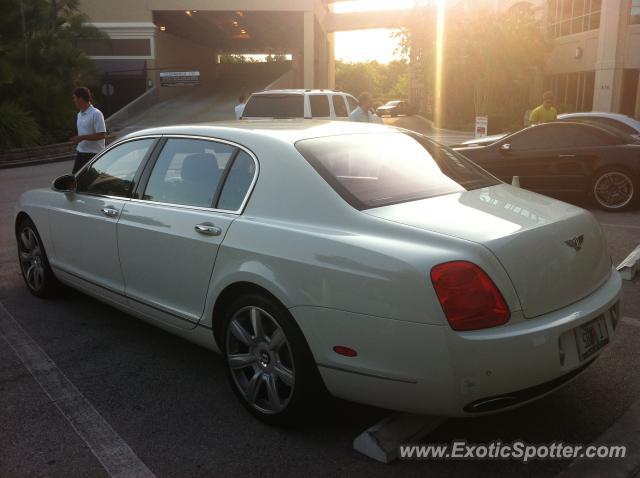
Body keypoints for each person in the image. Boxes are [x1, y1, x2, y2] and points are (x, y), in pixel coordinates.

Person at [70, 87, 107, 174]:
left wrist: (82, 138)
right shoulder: (79, 114)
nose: (74, 101)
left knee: (92, 183)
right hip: (81, 152)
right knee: (75, 180)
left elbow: (102, 135)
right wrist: (78, 140)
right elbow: (83, 134)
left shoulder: (96, 113)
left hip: (94, 155)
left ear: (81, 99)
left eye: (75, 98)